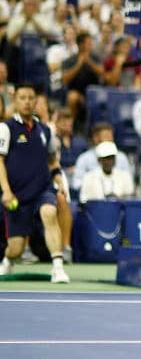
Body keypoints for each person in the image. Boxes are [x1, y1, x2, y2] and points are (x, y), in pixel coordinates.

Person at [0, 84, 70, 283]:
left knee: (49, 212)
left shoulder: (45, 130)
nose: (27, 102)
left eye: (31, 98)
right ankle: (7, 260)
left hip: (42, 189)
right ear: (15, 101)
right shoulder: (6, 129)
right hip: (17, 195)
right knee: (16, 248)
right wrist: (6, 191)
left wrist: (59, 180)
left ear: (36, 101)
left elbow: (52, 160)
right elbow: (0, 162)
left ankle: (58, 267)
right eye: (22, 98)